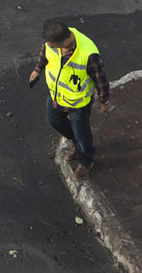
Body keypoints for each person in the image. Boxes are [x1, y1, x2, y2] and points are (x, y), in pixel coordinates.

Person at [29, 23, 111, 179]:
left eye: (53, 46)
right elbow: (44, 54)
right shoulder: (52, 44)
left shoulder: (88, 54)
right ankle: (76, 143)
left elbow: (101, 80)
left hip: (78, 103)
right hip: (57, 96)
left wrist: (104, 101)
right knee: (53, 121)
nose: (50, 48)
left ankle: (86, 161)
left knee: (82, 134)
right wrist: (37, 70)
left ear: (65, 42)